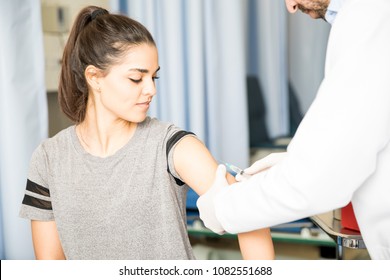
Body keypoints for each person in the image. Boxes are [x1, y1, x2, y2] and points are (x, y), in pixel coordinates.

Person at [18, 6, 274, 260]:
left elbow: (247, 210)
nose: (151, 89)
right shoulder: (49, 159)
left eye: (154, 77)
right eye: (136, 79)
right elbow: (50, 265)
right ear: (94, 77)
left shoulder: (171, 145)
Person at [197, 0, 390, 259]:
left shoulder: (369, 15)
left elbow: (320, 180)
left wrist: (223, 209)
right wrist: (298, 162)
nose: (290, 6)